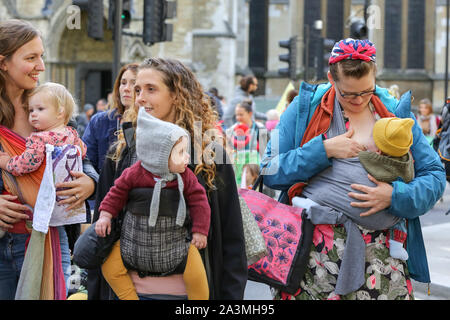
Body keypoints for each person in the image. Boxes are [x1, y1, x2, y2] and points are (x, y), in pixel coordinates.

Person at [261, 38, 446, 300]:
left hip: (382, 264)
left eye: (366, 91)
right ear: (331, 78)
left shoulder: (395, 112)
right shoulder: (303, 108)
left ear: (374, 76)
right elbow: (269, 169)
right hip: (312, 264)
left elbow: (435, 176)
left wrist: (394, 196)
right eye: (347, 93)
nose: (358, 100)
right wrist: (323, 150)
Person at [87, 57, 247, 300]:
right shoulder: (121, 153)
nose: (140, 97)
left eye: (151, 89)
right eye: (138, 89)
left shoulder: (210, 156)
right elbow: (102, 230)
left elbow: (231, 239)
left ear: (176, 94)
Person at [0, 19, 97, 300]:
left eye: (41, 56)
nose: (41, 66)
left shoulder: (51, 103)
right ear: (3, 62)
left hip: (48, 241)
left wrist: (89, 183)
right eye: (31, 58)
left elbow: (81, 156)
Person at [95, 109, 210, 300]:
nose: (187, 158)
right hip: (133, 241)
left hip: (175, 243)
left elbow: (200, 201)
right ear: (159, 156)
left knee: (196, 273)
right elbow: (116, 192)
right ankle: (129, 297)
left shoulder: (185, 176)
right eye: (181, 152)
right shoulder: (135, 172)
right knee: (109, 264)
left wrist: (200, 231)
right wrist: (105, 215)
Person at [82, 63, 138, 174]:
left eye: (134, 83)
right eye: (123, 83)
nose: (126, 88)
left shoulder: (150, 124)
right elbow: (85, 159)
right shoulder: (99, 121)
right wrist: (93, 182)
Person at [227, 99, 267, 186]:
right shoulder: (232, 129)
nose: (238, 118)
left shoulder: (259, 128)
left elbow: (264, 150)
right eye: (236, 115)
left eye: (241, 115)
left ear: (250, 113)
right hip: (238, 170)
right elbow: (230, 149)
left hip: (254, 169)